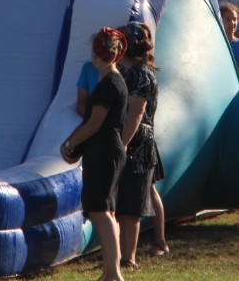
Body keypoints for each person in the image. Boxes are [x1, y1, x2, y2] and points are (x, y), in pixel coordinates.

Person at [60, 28, 128, 281]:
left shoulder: (108, 84)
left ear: (97, 54)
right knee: (106, 210)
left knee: (101, 210)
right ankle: (110, 271)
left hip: (105, 150)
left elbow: (94, 123)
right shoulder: (113, 80)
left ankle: (114, 273)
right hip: (106, 149)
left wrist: (69, 144)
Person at [116, 22, 166, 268]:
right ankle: (122, 254)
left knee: (131, 204)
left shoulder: (139, 73)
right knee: (128, 201)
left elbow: (135, 112)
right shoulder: (125, 71)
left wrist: (121, 144)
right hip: (131, 140)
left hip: (136, 144)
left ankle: (129, 258)